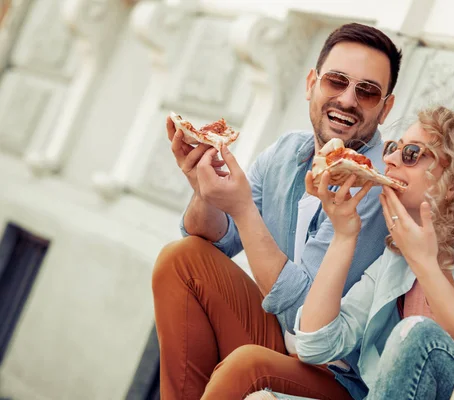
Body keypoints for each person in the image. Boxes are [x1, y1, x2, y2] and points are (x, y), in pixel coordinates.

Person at [218, 106, 454, 400]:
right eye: (394, 148)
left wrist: (426, 264)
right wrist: (344, 235)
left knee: (417, 334)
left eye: (411, 154)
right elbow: (316, 344)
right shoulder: (398, 254)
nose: (390, 158)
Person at [151, 23, 402, 399]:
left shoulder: (374, 183)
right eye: (336, 81)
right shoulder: (287, 151)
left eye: (367, 92)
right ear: (311, 84)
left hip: (336, 375)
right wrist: (204, 186)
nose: (348, 100)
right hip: (280, 337)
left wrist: (242, 209)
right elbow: (210, 241)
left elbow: (306, 318)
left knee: (248, 365)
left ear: (385, 109)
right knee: (181, 259)